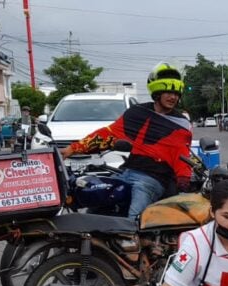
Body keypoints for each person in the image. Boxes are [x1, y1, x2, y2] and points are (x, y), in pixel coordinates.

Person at [61, 62, 192, 220]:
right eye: (168, 92)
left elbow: (182, 155)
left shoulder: (181, 124)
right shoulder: (137, 113)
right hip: (126, 173)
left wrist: (184, 181)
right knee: (95, 208)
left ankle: (139, 243)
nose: (173, 97)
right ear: (157, 92)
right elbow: (108, 134)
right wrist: (72, 149)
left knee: (134, 221)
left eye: (176, 94)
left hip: (153, 179)